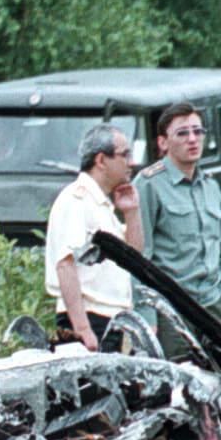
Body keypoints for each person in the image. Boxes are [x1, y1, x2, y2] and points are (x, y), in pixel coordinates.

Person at [43, 122, 143, 351]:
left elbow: (135, 258)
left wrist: (132, 212)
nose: (131, 163)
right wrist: (82, 329)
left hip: (111, 318)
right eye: (124, 155)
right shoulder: (76, 200)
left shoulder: (100, 203)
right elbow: (65, 265)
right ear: (101, 160)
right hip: (90, 318)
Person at [137, 101, 221, 334]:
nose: (192, 139)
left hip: (213, 308)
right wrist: (147, 315)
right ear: (163, 142)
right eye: (182, 133)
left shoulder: (210, 186)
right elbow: (139, 256)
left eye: (198, 131)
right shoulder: (149, 184)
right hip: (172, 312)